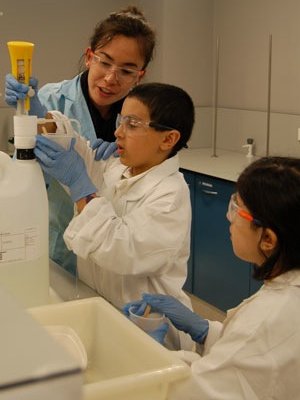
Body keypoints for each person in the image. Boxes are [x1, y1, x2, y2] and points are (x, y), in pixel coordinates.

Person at [34, 82, 195, 350]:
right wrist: (41, 116)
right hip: (103, 310)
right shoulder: (117, 168)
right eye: (121, 120)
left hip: (148, 328)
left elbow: (123, 250)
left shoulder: (170, 195)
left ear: (168, 139)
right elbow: (76, 151)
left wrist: (81, 185)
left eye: (132, 124)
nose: (118, 132)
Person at [124, 156, 300, 399]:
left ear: (268, 239)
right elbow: (253, 361)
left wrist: (153, 357)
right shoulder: (288, 288)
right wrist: (206, 331)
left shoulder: (268, 320)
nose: (229, 217)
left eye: (238, 209)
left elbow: (197, 391)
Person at [5, 6, 156, 275]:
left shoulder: (144, 116)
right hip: (57, 245)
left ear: (140, 75)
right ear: (89, 57)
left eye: (126, 70)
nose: (111, 78)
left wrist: (118, 159)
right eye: (105, 62)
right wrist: (30, 113)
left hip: (113, 251)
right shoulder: (52, 100)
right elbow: (22, 175)